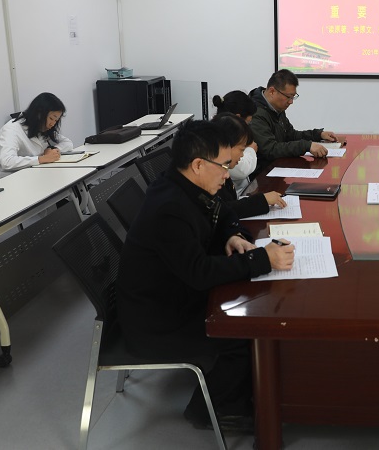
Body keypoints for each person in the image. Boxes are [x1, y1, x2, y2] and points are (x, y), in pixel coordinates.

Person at [116, 120, 295, 432]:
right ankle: (211, 410)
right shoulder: (169, 208)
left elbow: (224, 214)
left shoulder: (186, 185)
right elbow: (199, 273)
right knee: (241, 331)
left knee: (250, 305)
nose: (228, 174)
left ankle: (245, 390)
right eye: (224, 165)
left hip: (173, 294)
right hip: (158, 319)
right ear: (198, 164)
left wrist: (232, 236)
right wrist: (261, 259)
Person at [248, 69, 338, 171]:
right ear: (272, 91)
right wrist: (306, 146)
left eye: (293, 97)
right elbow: (270, 149)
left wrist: (318, 134)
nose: (291, 102)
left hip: (278, 166)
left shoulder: (276, 108)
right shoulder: (254, 113)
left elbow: (291, 135)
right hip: (263, 172)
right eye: (289, 97)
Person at [211, 112, 287, 218]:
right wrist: (262, 201)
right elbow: (221, 210)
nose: (242, 155)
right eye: (242, 149)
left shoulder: (222, 170)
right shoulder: (211, 175)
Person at [0, 92, 73, 179]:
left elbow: (68, 143)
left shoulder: (41, 128)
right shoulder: (12, 129)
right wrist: (42, 159)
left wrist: (54, 151)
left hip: (34, 175)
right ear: (39, 114)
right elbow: (7, 162)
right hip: (11, 180)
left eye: (56, 120)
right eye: (51, 118)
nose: (52, 124)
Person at [212, 90, 259, 192]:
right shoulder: (221, 137)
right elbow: (241, 169)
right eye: (247, 123)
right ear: (238, 118)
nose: (248, 127)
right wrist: (251, 150)